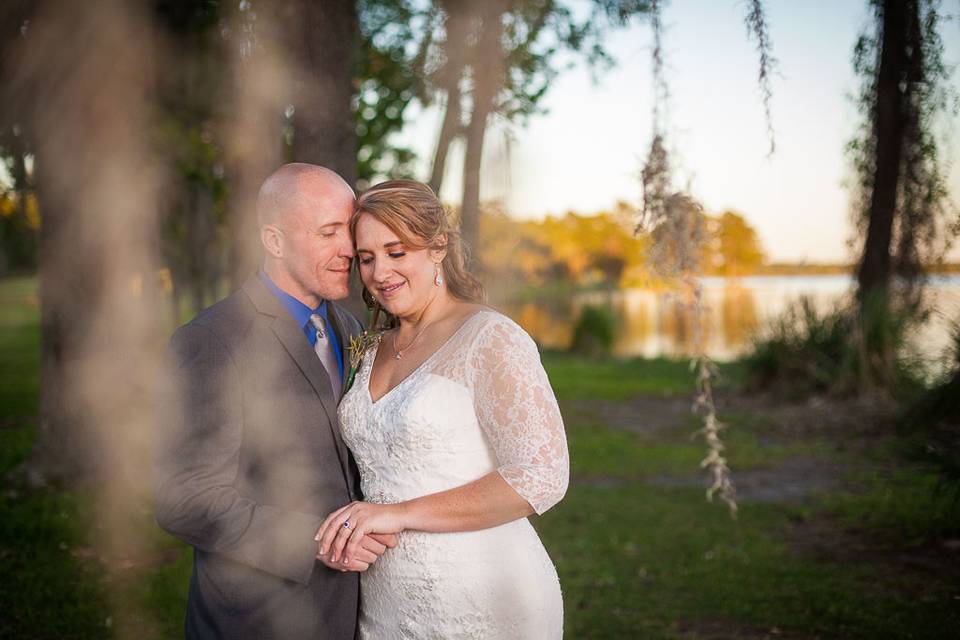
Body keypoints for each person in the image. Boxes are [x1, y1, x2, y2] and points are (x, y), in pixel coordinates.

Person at [316, 180, 570, 638]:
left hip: (484, 598)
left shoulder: (490, 337)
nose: (380, 273)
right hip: (385, 601)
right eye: (367, 258)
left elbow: (541, 476)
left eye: (397, 253)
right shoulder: (370, 348)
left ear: (438, 248)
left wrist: (397, 513)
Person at [155, 163, 394, 639]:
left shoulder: (349, 330)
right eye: (328, 233)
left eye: (347, 231)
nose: (349, 249)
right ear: (275, 241)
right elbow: (184, 498)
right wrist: (315, 542)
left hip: (352, 613)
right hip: (258, 617)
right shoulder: (213, 340)